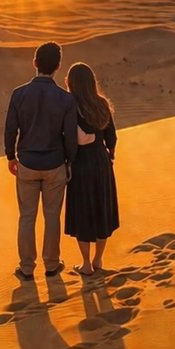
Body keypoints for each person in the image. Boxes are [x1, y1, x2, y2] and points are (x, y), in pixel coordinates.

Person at [5, 41, 78, 280]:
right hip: (55, 165)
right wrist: (70, 162)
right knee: (52, 216)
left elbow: (10, 129)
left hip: (26, 164)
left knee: (27, 216)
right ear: (58, 66)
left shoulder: (19, 94)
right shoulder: (66, 99)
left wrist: (10, 156)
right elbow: (70, 136)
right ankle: (51, 264)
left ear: (34, 63)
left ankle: (26, 268)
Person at [63, 62, 119, 276]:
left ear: (71, 83)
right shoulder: (102, 104)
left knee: (83, 212)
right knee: (101, 209)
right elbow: (111, 137)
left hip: (80, 164)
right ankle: (98, 260)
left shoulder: (70, 107)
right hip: (101, 162)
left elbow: (67, 139)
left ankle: (86, 263)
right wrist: (110, 155)